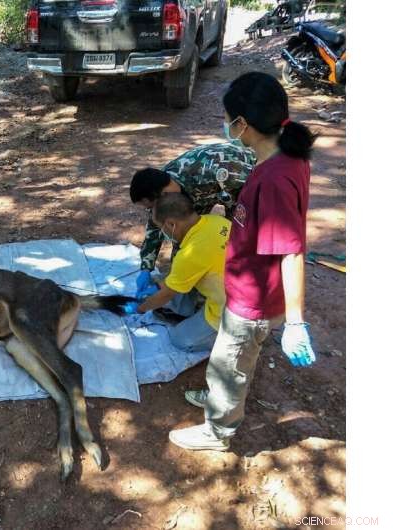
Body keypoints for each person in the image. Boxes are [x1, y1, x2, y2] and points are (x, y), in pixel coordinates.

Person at [168, 71, 317, 452]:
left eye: (227, 118)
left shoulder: (274, 179)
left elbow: (291, 251)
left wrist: (295, 322)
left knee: (231, 361)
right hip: (245, 290)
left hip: (254, 300)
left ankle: (218, 431)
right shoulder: (283, 157)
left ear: (243, 123)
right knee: (230, 359)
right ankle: (220, 396)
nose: (226, 125)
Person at [130, 142, 255, 299]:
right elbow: (156, 227)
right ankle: (189, 294)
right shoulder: (161, 187)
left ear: (162, 196)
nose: (151, 210)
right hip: (212, 194)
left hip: (241, 184)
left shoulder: (214, 171)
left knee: (236, 242)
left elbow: (247, 202)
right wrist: (146, 268)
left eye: (151, 206)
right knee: (184, 249)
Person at [123, 193, 230, 353]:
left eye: (162, 228)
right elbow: (180, 277)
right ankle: (188, 309)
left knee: (180, 340)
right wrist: (157, 286)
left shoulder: (189, 255)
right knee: (164, 281)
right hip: (241, 287)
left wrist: (140, 308)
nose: (163, 233)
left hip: (234, 310)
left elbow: (166, 294)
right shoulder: (216, 221)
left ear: (171, 224)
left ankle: (232, 337)